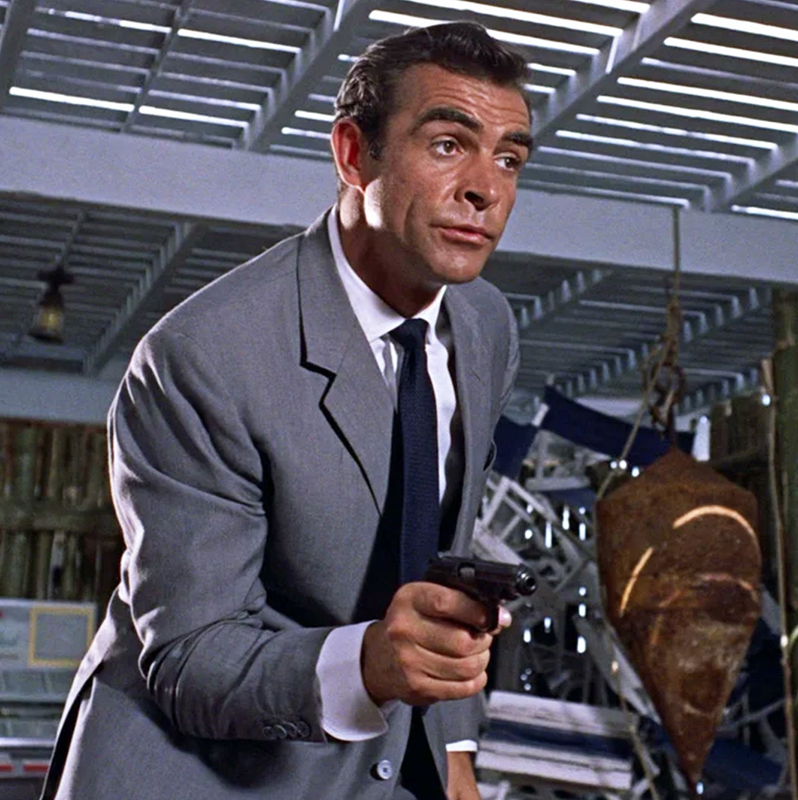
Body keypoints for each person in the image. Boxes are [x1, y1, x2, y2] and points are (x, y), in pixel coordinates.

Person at [41, 21, 532, 800]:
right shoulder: (203, 356)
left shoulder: (485, 326)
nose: (487, 188)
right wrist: (369, 664)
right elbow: (191, 656)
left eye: (509, 158)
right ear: (353, 154)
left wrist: (455, 753)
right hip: (198, 772)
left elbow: (443, 566)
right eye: (448, 145)